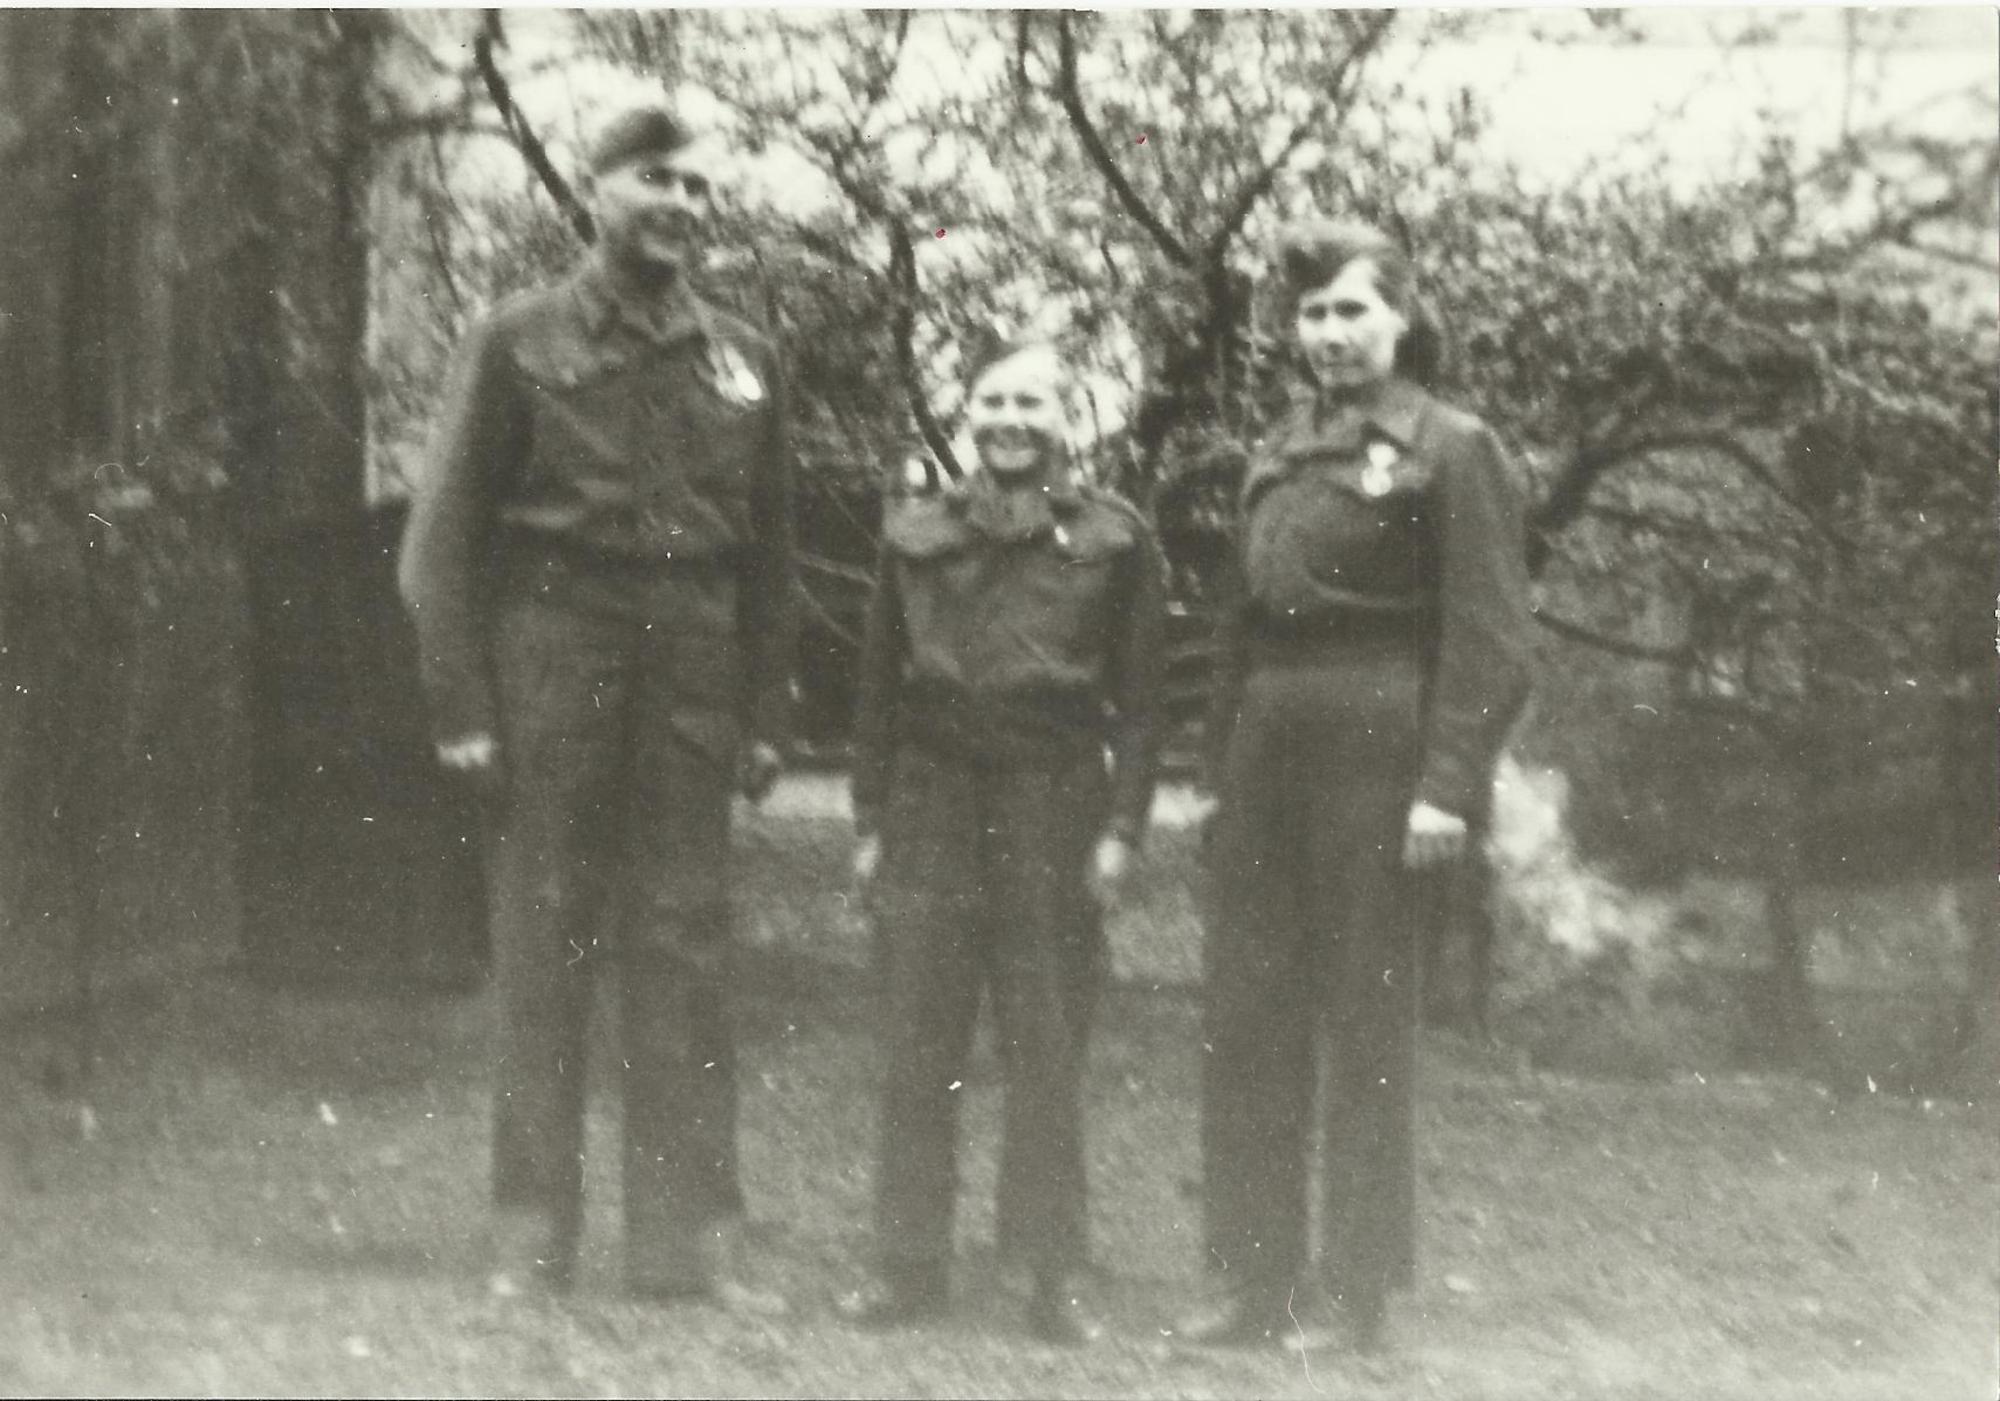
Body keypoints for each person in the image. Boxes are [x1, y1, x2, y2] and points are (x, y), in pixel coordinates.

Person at [396, 103, 796, 1307]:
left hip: (691, 664)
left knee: (685, 944)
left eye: (698, 189)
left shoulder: (744, 358)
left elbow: (770, 555)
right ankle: (531, 1229)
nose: (680, 205)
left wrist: (765, 711)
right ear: (594, 191)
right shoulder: (516, 338)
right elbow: (438, 546)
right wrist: (463, 707)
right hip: (555, 652)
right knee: (544, 939)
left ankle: (690, 1239)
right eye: (655, 181)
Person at [1178, 220, 1532, 1353]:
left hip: (1378, 738)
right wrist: (1213, 775)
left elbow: (1490, 636)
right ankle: (1252, 1276)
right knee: (1247, 1014)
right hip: (1266, 741)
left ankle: (1353, 1288)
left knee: (1364, 1024)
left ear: (1401, 319)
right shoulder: (1279, 449)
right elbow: (1237, 627)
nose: (1329, 332)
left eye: (1351, 310)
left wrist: (1445, 786)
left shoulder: (1452, 445)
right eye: (1312, 314)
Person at [840, 338, 1168, 1344]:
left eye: (1032, 402)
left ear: (1066, 418)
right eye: (992, 402)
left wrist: (1121, 829)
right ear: (967, 414)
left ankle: (1049, 1275)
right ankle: (907, 1266)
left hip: (1052, 801)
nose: (1011, 420)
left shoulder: (1116, 539)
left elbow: (1142, 704)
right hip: (932, 802)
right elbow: (876, 690)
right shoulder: (914, 533)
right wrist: (869, 821)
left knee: (1046, 1047)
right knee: (917, 1043)